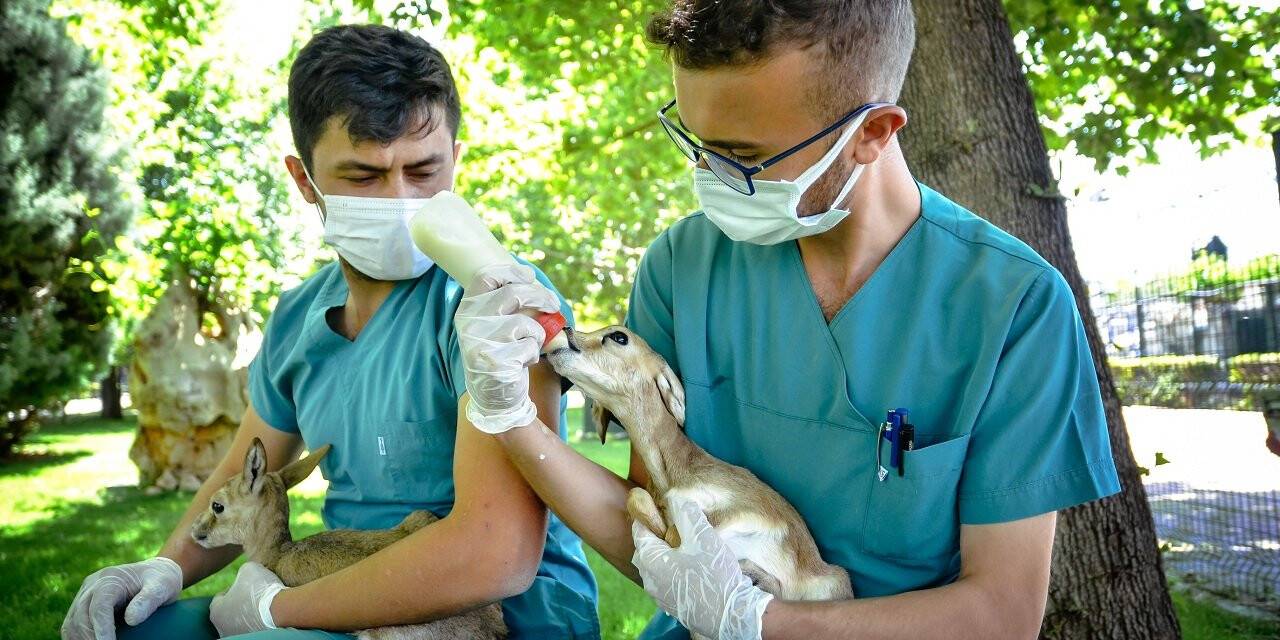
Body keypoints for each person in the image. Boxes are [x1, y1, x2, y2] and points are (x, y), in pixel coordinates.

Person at [454, 1, 1120, 638]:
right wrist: (511, 416)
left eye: (743, 157)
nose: (709, 175)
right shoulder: (682, 266)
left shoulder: (1014, 306)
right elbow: (655, 535)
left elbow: (1000, 615)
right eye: (696, 142)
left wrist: (760, 625)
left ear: (873, 134)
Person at [61, 24, 598, 640]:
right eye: (363, 177)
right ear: (303, 179)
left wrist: (274, 613)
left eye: (424, 170)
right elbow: (243, 477)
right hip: (334, 587)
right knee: (133, 632)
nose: (402, 199)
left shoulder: (494, 304)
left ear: (456, 159)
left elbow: (491, 554)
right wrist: (164, 566)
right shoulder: (296, 318)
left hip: (494, 614)